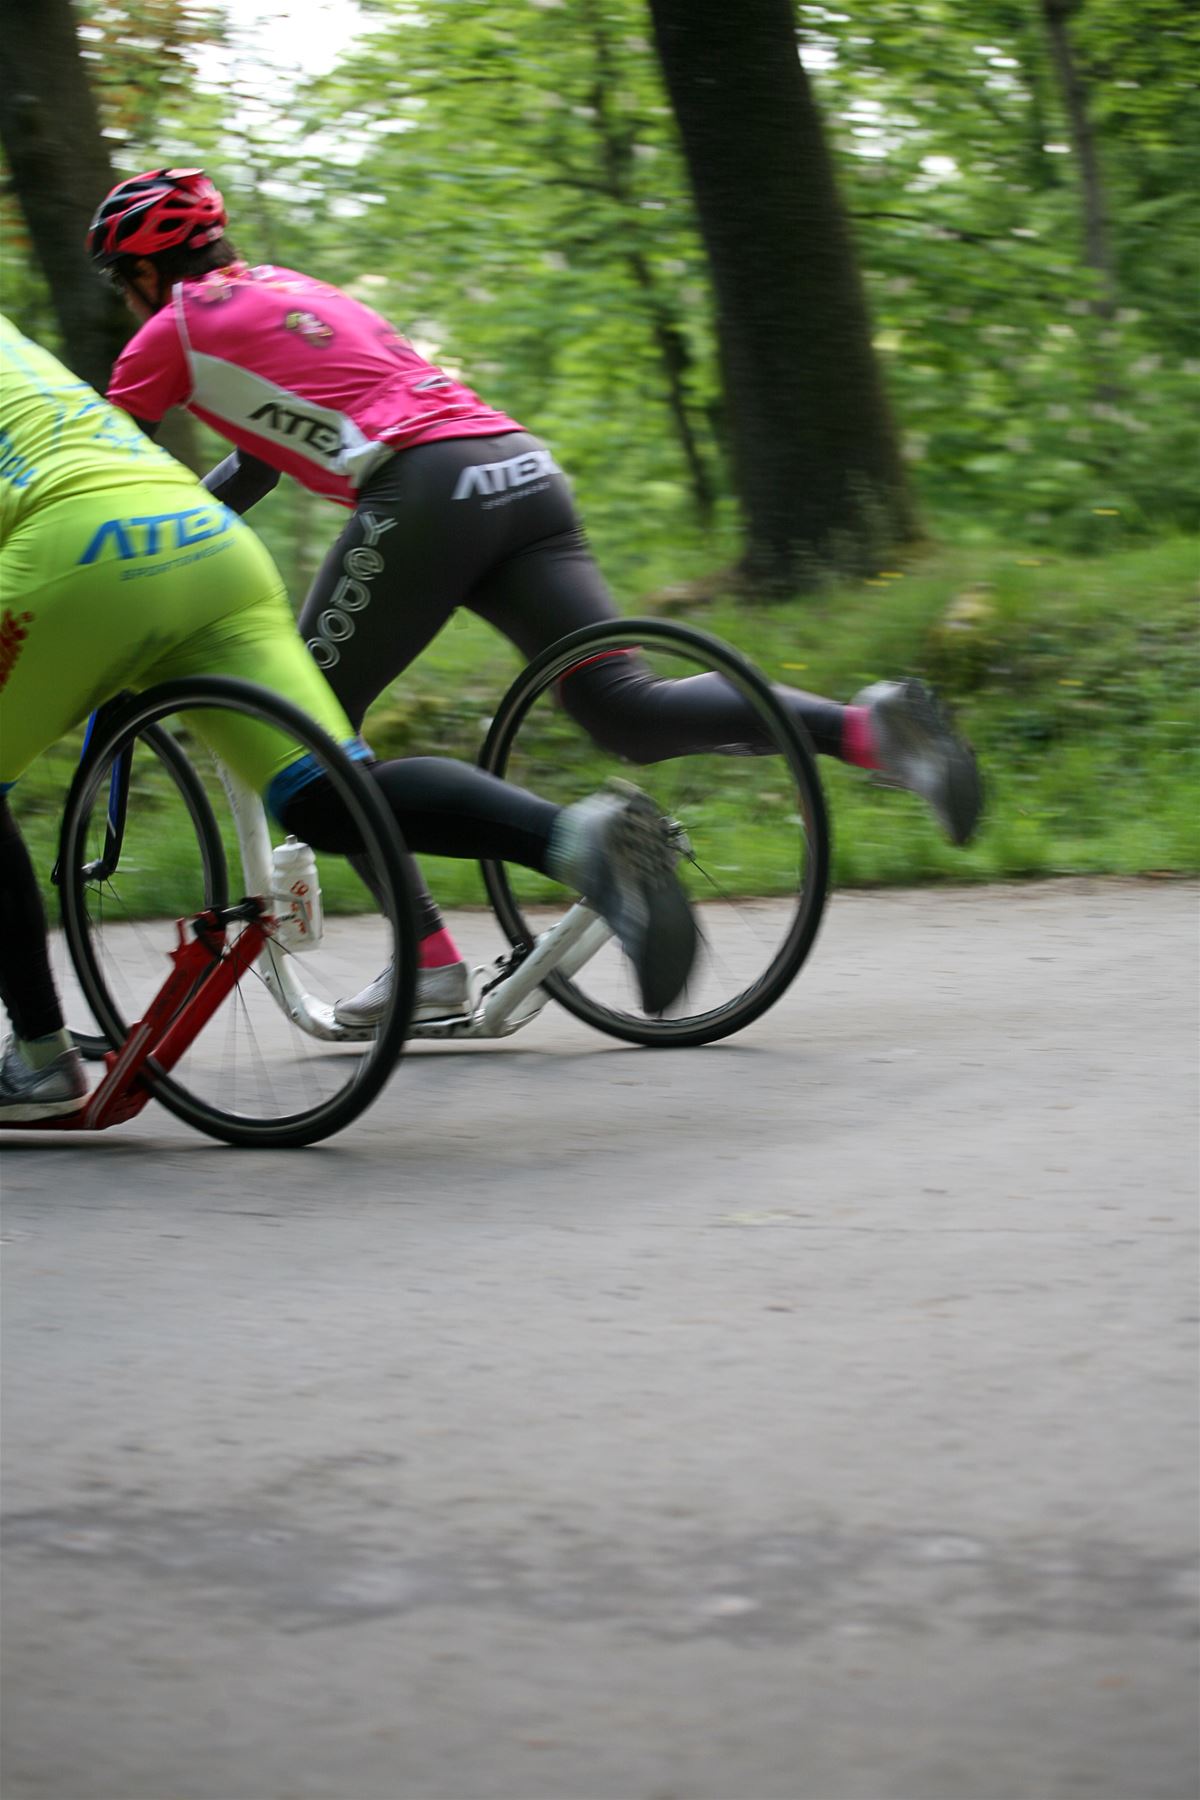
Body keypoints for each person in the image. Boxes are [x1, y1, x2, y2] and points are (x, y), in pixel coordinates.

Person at [88, 166, 983, 1027]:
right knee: (623, 705)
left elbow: (109, 482)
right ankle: (872, 732)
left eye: (119, 282)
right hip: (518, 471)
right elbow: (256, 463)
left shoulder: (166, 333)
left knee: (313, 749)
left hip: (427, 493)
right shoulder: (291, 289)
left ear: (139, 270)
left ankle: (431, 962)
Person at [0, 314, 697, 1123]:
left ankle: (41, 1059)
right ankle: (579, 840)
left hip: (76, 555)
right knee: (328, 797)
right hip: (204, 539)